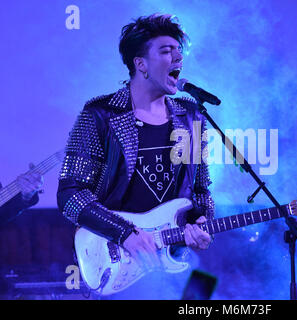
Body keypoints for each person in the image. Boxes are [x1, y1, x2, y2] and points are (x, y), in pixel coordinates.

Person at [56, 14, 214, 293]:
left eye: (179, 50)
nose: (178, 56)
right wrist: (125, 233)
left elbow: (200, 190)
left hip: (172, 263)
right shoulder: (101, 115)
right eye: (167, 50)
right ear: (140, 64)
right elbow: (70, 195)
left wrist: (202, 223)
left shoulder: (191, 116)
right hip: (116, 262)